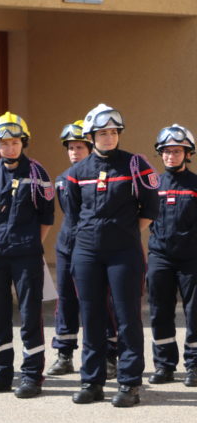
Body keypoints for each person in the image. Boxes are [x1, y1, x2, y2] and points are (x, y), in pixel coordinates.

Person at [65, 104, 158, 407]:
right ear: (91, 136)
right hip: (88, 251)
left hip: (123, 252)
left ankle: (129, 383)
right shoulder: (77, 172)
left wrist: (126, 233)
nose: (108, 137)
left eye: (113, 132)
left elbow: (151, 209)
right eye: (102, 133)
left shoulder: (136, 165)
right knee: (91, 316)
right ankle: (91, 382)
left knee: (127, 316)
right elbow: (74, 212)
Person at [0, 113, 54, 399]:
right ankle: (0, 374)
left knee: (30, 314)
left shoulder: (37, 174)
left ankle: (32, 376)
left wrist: (29, 242)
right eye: (4, 142)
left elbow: (47, 217)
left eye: (15, 142)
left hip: (25, 254)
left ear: (24, 142)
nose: (10, 148)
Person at [49, 121, 119, 378]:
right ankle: (64, 353)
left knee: (101, 302)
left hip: (94, 248)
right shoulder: (62, 180)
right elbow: (69, 214)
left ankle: (110, 355)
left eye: (80, 146)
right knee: (66, 300)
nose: (74, 152)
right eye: (70, 147)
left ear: (90, 147)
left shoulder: (103, 176)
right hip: (68, 245)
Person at [147, 124, 197, 387]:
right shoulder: (153, 184)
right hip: (160, 257)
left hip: (192, 259)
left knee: (195, 312)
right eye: (166, 151)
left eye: (177, 151)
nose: (170, 156)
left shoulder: (195, 184)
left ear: (187, 153)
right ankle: (164, 365)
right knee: (159, 310)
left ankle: (194, 365)